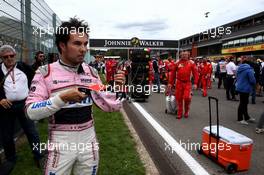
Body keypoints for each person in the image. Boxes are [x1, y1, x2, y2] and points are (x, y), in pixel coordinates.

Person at [25, 18, 125, 175]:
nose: (83, 49)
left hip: (89, 141)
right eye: (77, 44)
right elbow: (31, 112)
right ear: (62, 45)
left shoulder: (91, 73)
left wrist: (119, 89)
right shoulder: (45, 73)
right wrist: (62, 98)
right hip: (60, 142)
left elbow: (111, 105)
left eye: (85, 44)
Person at [0, 45, 42, 173]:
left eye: (11, 56)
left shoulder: (23, 66)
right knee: (7, 135)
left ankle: (38, 156)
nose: (9, 58)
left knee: (32, 131)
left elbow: (37, 78)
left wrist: (34, 95)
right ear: (1, 58)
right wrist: (0, 99)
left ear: (15, 55)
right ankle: (11, 159)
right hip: (6, 107)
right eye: (5, 57)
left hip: (24, 104)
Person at [168, 51, 198, 119]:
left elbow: (196, 74)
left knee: (187, 98)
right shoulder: (177, 63)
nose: (184, 56)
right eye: (182, 55)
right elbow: (172, 74)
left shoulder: (191, 63)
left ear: (188, 55)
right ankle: (179, 113)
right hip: (179, 83)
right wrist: (170, 83)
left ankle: (186, 111)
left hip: (187, 83)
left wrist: (195, 83)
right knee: (179, 98)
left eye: (185, 55)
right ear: (180, 55)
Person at [235, 56, 256, 125]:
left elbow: (237, 77)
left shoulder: (239, 69)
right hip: (246, 88)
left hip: (239, 87)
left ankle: (246, 117)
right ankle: (240, 118)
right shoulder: (249, 70)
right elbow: (252, 80)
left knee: (243, 103)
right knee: (243, 103)